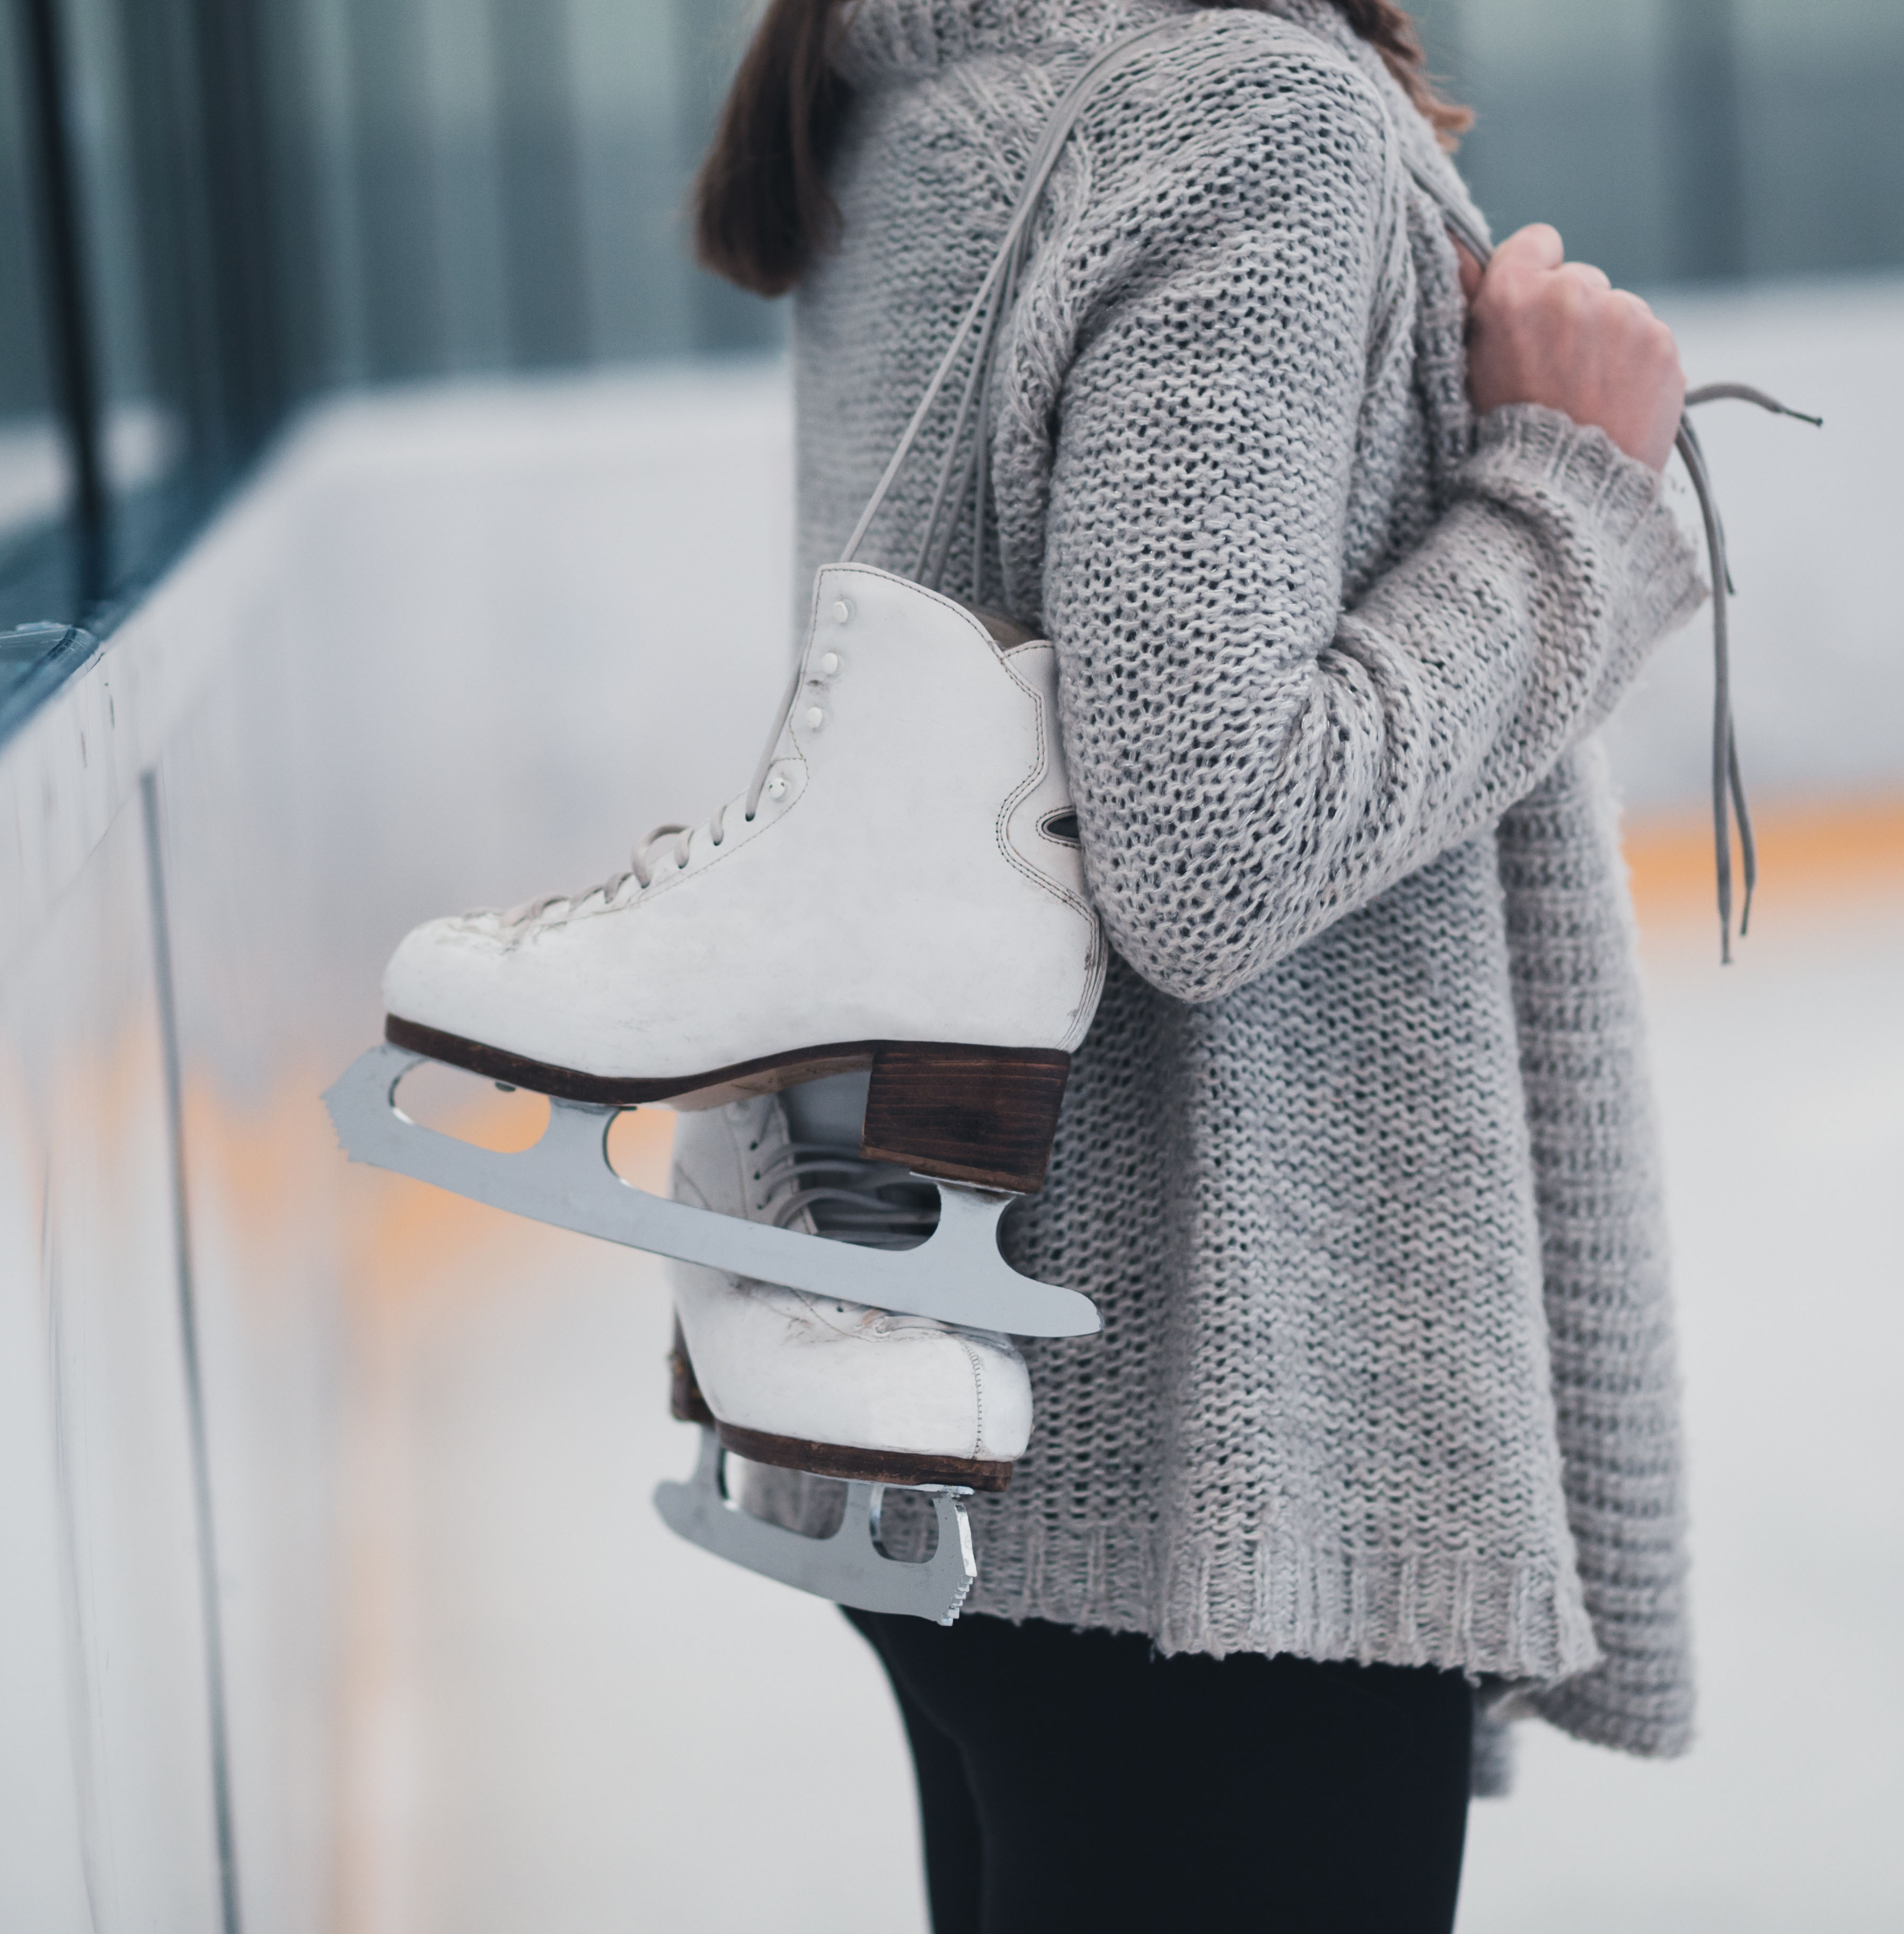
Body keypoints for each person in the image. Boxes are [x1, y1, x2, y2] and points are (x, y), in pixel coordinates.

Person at [685, 2, 1705, 1927]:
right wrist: (1573, 493)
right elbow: (1214, 848)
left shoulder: (923, 77)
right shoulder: (1235, 111)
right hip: (1196, 1453)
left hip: (968, 1391)